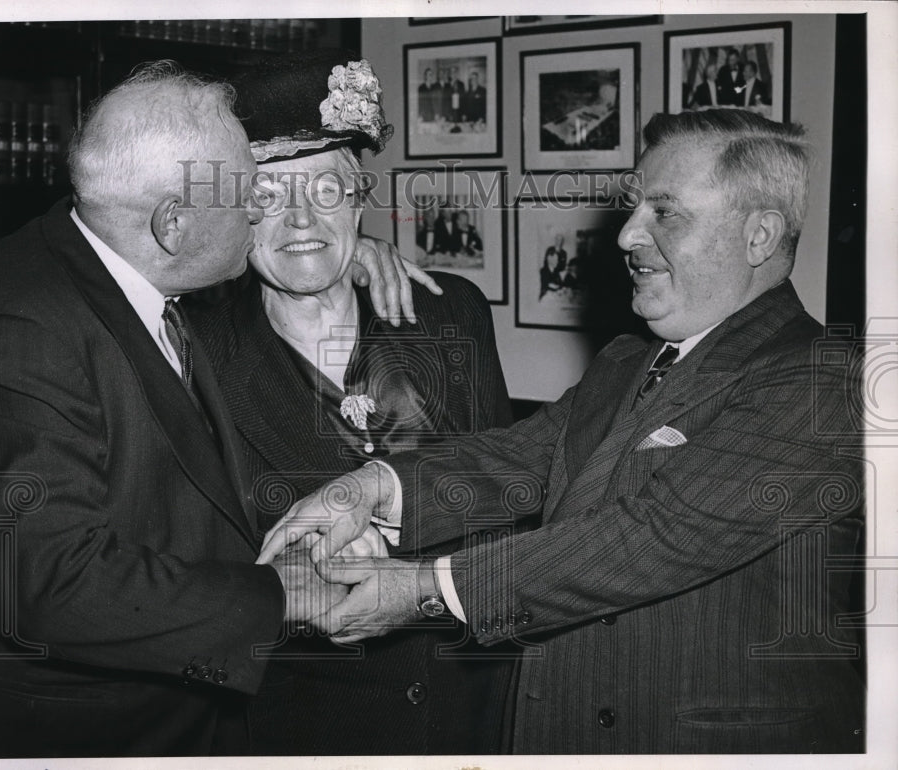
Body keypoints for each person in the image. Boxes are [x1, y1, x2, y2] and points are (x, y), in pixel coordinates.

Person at [259, 109, 866, 754]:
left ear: (759, 237)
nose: (629, 234)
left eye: (665, 213)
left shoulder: (825, 382)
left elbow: (648, 538)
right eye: (634, 207)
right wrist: (366, 490)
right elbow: (516, 458)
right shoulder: (628, 360)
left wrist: (420, 591)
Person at [0, 60, 435, 759]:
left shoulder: (109, 262)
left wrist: (347, 252)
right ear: (173, 223)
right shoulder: (22, 334)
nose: (261, 214)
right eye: (249, 196)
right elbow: (54, 584)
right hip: (84, 735)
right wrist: (286, 594)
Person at [186, 51, 516, 756]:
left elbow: (513, 491)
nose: (300, 218)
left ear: (360, 200)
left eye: (325, 190)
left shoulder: (449, 312)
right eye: (266, 197)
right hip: (307, 720)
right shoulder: (193, 357)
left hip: (471, 703)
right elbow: (183, 569)